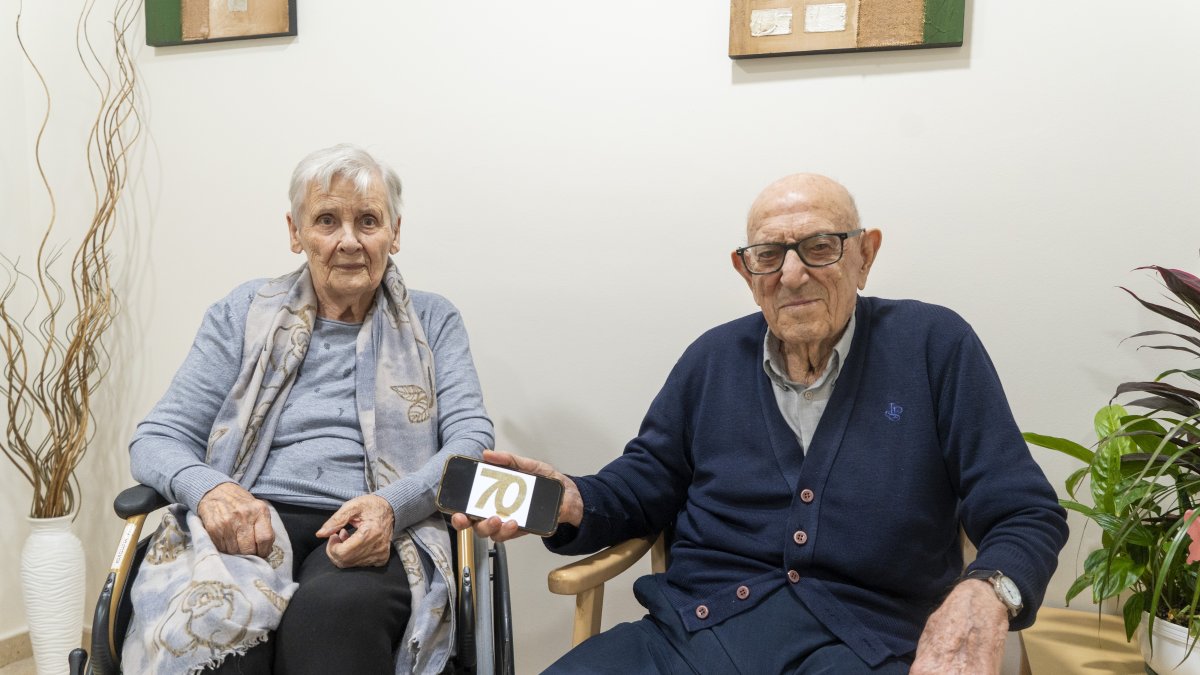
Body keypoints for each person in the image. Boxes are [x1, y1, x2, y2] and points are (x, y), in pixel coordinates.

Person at [457, 174, 1068, 674]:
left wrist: (984, 593)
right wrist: (570, 499)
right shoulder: (711, 360)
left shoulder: (934, 346)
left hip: (863, 647)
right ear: (746, 272)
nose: (792, 275)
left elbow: (1025, 511)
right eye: (769, 256)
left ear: (865, 255)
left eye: (820, 247)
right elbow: (644, 483)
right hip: (691, 636)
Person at [123, 144, 493, 675]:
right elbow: (158, 437)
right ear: (295, 232)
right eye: (326, 220)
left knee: (331, 621)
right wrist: (212, 491)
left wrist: (391, 507)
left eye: (368, 221)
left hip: (379, 527)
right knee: (216, 630)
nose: (349, 240)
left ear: (395, 232)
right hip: (250, 519)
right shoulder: (243, 312)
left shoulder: (434, 321)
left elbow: (470, 441)